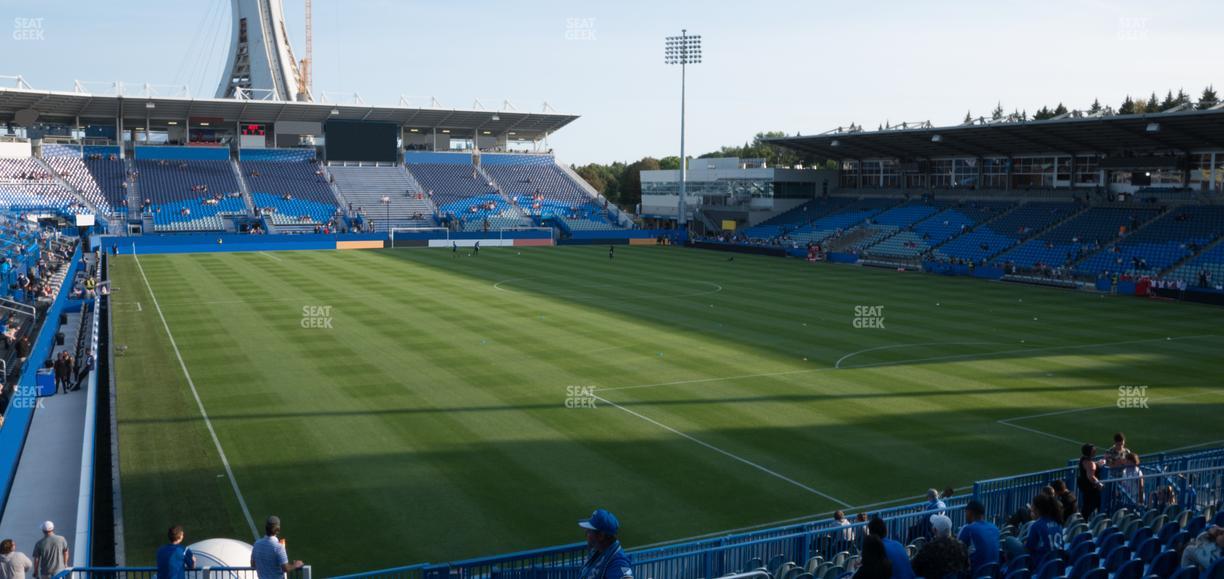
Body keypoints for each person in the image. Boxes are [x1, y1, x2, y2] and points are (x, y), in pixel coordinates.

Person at [577, 509, 632, 579]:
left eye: (589, 531)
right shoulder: (597, 551)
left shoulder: (619, 563)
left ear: (601, 536)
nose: (586, 534)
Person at [911, 514, 969, 579]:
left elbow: (914, 568)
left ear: (934, 530)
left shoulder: (929, 548)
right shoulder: (961, 546)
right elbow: (967, 567)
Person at [958, 500, 1000, 573]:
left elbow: (957, 552)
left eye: (966, 512)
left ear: (970, 513)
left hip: (976, 573)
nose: (965, 515)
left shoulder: (968, 529)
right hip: (992, 573)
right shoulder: (994, 528)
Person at [1024, 494, 1064, 562]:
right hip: (1056, 562)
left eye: (1032, 507)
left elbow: (1029, 548)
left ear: (1037, 509)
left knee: (1010, 542)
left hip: (1041, 564)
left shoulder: (1036, 525)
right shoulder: (1057, 522)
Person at [1077, 443, 1104, 517]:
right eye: (1093, 450)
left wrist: (1097, 464)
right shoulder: (1090, 463)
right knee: (1093, 505)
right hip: (1091, 488)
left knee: (1087, 505)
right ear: (1090, 452)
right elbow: (1091, 477)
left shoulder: (1083, 459)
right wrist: (1099, 484)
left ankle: (1083, 521)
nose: (1095, 451)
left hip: (1085, 486)